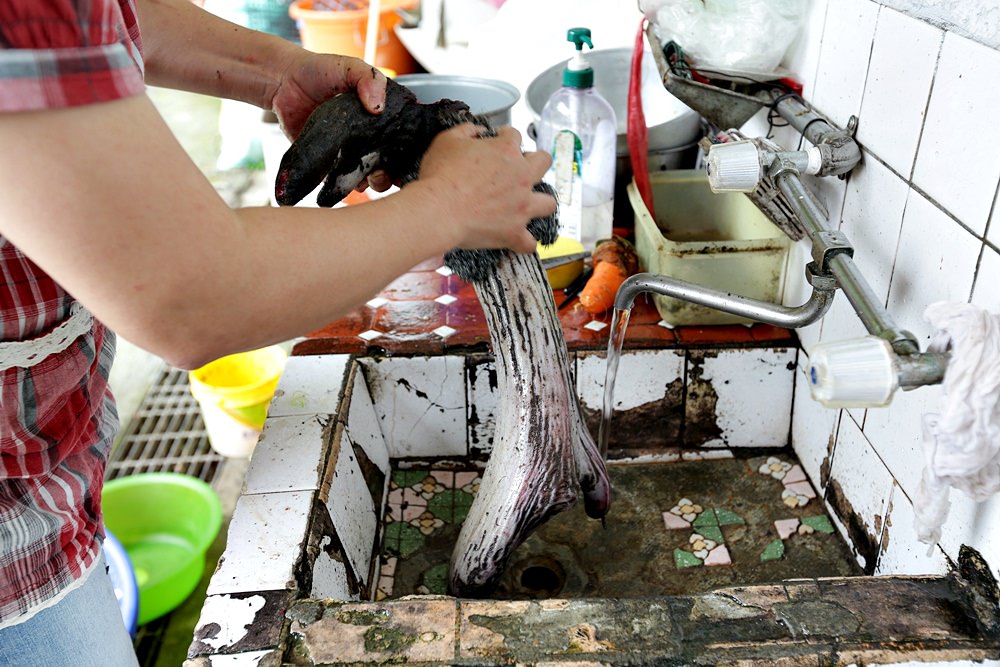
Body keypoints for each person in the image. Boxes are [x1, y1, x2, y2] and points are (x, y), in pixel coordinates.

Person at [0, 1, 555, 664]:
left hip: (47, 466)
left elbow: (92, 17)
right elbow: (190, 295)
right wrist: (450, 206)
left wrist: (280, 71)